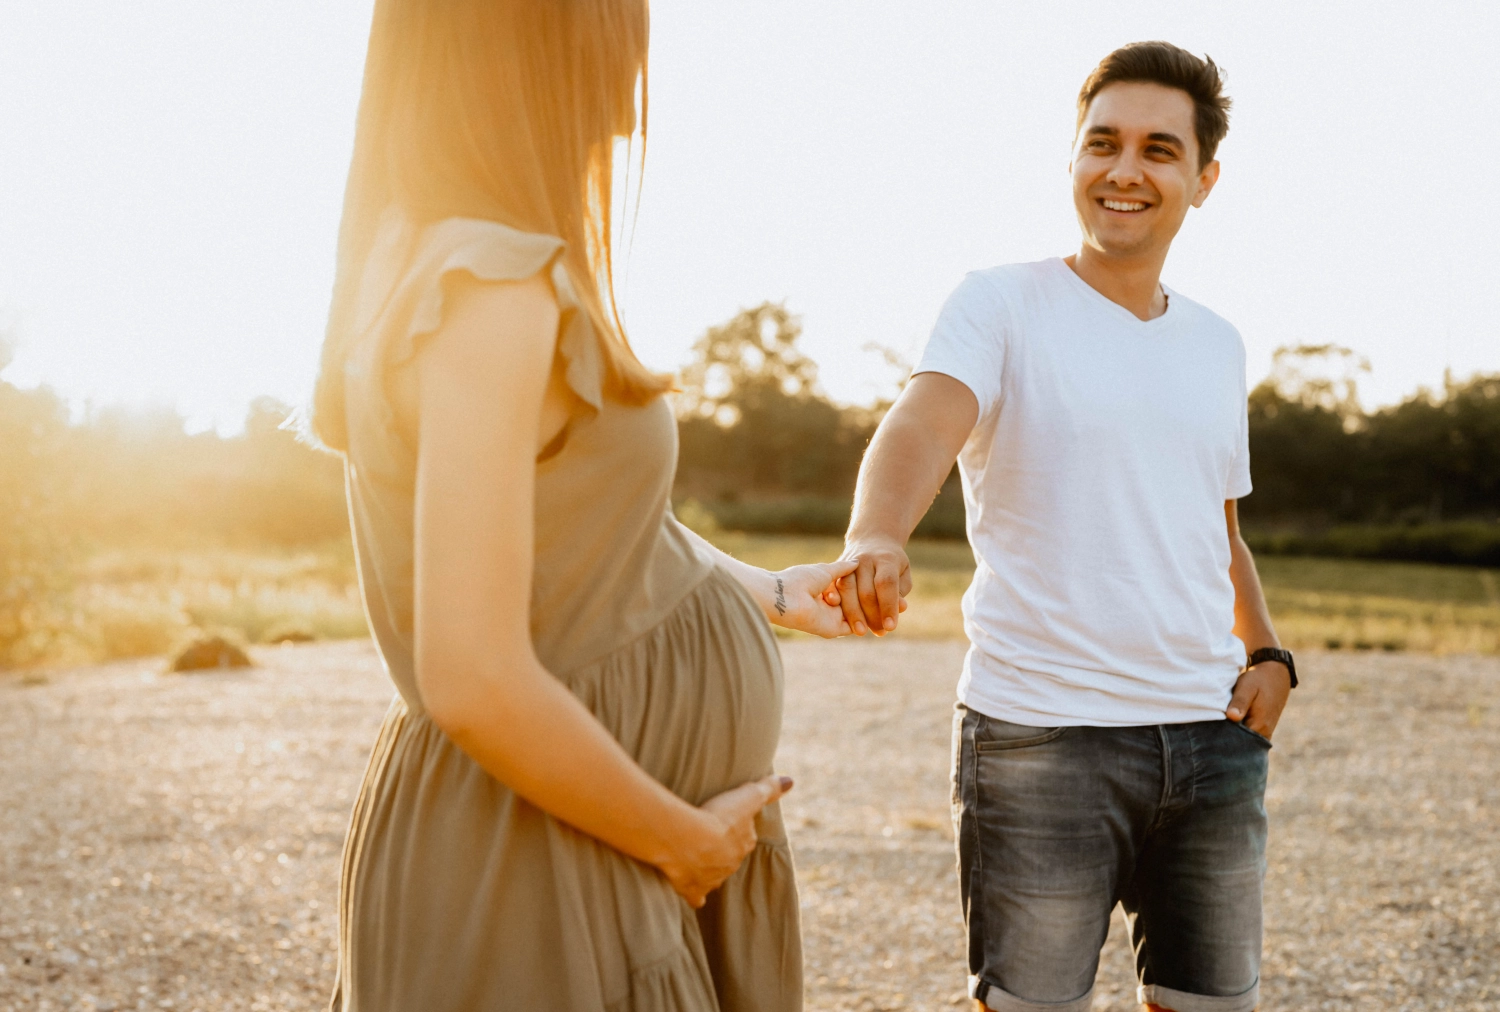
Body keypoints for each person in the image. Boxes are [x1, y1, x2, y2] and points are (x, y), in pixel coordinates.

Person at [309, 3, 857, 1009]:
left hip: (585, 832)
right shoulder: (489, 292)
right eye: (618, 21)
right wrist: (681, 839)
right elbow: (470, 673)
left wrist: (774, 591)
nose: (636, 57)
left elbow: (593, 527)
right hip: (548, 847)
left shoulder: (469, 263)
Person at [832, 42, 1294, 1012]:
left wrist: (1269, 651)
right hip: (1043, 734)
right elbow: (921, 422)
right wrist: (876, 533)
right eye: (1103, 143)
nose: (1125, 170)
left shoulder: (1217, 342)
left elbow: (1219, 527)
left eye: (1159, 149)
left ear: (1204, 179)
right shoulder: (1000, 302)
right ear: (1074, 160)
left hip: (1208, 735)